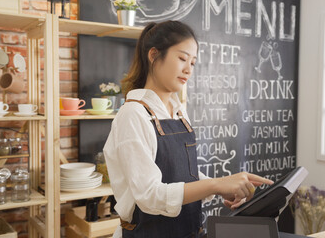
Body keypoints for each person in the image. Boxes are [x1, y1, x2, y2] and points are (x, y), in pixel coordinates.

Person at [103, 20, 274, 238]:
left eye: (192, 63)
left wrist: (225, 187)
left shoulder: (178, 112)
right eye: (182, 58)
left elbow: (182, 174)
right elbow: (149, 195)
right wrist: (215, 185)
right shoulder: (132, 115)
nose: (188, 69)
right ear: (154, 55)